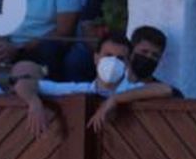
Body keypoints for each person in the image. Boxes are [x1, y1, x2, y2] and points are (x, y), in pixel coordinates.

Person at [12, 26, 176, 137]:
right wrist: (34, 103)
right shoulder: (79, 89)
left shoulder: (134, 90)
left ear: (127, 63)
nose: (113, 62)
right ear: (96, 58)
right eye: (108, 55)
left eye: (120, 58)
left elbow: (166, 90)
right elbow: (23, 82)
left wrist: (115, 99)